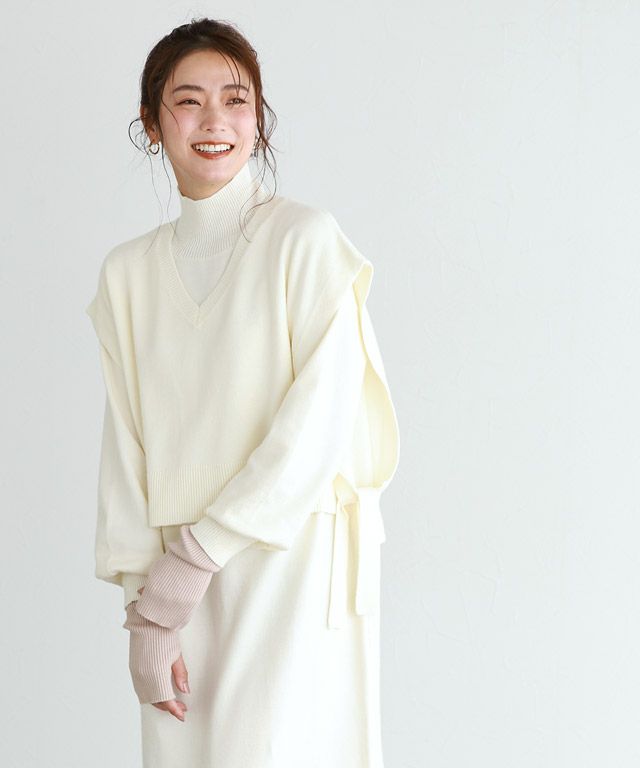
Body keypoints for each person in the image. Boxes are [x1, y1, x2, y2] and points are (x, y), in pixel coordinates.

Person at [86, 17, 400, 768]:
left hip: (287, 560)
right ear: (151, 123)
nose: (215, 121)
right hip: (172, 583)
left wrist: (196, 559)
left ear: (259, 120)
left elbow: (318, 425)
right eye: (188, 101)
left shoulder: (303, 240)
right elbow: (125, 446)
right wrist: (145, 611)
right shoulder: (127, 274)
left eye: (236, 100)